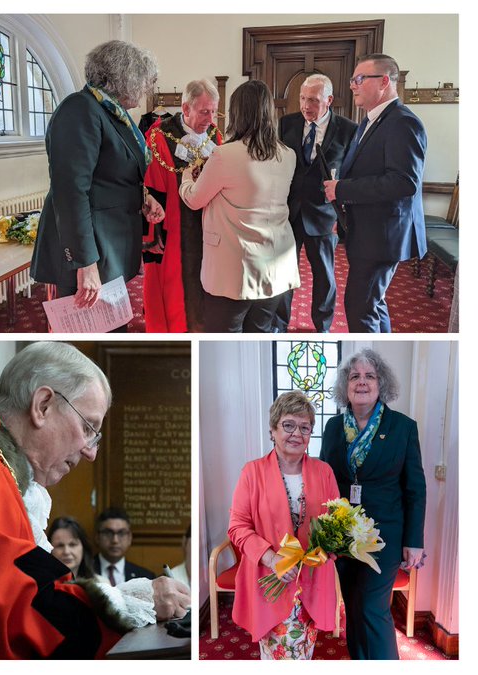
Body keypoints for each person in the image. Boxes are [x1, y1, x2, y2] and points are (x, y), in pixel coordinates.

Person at [0, 342, 190, 658]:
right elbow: (30, 620)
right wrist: (136, 603)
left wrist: (126, 597)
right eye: (88, 427)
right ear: (43, 405)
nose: (91, 453)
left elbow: (39, 589)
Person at [31, 40, 165, 315]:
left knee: (112, 325)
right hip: (88, 251)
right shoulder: (79, 109)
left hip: (109, 245)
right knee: (91, 331)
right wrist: (85, 263)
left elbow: (112, 175)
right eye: (142, 82)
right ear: (124, 77)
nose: (145, 90)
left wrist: (144, 197)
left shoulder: (112, 113)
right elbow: (70, 192)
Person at [319, 349, 426, 659]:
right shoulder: (333, 428)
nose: (362, 382)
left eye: (370, 376)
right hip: (343, 535)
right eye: (355, 376)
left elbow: (415, 489)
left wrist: (414, 541)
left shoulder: (403, 427)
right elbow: (325, 480)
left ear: (382, 384)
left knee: (372, 607)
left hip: (384, 537)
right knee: (353, 606)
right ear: (346, 385)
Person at [179, 80, 299, 333]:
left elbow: (194, 200)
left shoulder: (225, 154)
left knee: (224, 334)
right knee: (260, 332)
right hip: (276, 265)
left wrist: (187, 177)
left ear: (237, 113)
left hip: (234, 269)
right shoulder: (288, 154)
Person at [228, 391, 339, 659]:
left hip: (311, 583)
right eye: (288, 425)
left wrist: (332, 547)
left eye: (305, 427)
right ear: (273, 430)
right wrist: (272, 558)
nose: (296, 434)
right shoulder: (252, 472)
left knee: (303, 653)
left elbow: (335, 523)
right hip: (270, 580)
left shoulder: (324, 472)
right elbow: (237, 527)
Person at [323, 54, 427, 333]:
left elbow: (403, 182)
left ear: (384, 82)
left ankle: (372, 355)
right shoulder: (371, 121)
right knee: (372, 304)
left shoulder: (403, 123)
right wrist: (345, 214)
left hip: (383, 235)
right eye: (352, 80)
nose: (352, 86)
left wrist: (342, 189)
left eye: (359, 79)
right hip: (368, 231)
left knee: (360, 307)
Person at [273, 75, 357, 333]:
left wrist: (344, 213)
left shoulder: (348, 130)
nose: (306, 106)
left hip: (323, 214)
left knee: (324, 275)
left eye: (313, 100)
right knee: (283, 272)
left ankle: (323, 326)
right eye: (302, 98)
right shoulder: (287, 123)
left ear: (329, 100)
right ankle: (279, 323)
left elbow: (351, 175)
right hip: (289, 212)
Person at [142, 78, 224, 332]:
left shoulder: (215, 136)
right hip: (174, 231)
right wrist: (153, 236)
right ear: (186, 108)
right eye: (204, 112)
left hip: (210, 230)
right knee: (174, 294)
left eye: (213, 112)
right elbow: (151, 189)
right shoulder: (159, 138)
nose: (210, 119)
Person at [94, 507, 155, 584]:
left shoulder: (145, 577)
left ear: (129, 538)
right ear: (97, 537)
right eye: (108, 533)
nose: (115, 540)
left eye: (121, 533)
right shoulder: (83, 572)